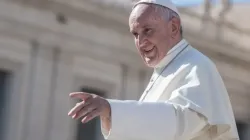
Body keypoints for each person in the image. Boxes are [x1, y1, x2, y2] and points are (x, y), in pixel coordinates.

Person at [68, 0, 239, 139]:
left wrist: (112, 109)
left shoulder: (198, 66)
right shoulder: (163, 70)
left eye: (147, 30)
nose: (141, 42)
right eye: (135, 34)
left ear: (173, 27)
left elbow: (181, 121)